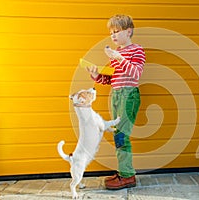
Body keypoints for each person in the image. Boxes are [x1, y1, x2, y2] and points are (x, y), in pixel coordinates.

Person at [86, 14, 145, 190]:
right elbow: (112, 79)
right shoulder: (115, 54)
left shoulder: (137, 50)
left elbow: (136, 74)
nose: (113, 36)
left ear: (129, 31)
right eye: (111, 32)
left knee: (121, 135)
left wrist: (119, 58)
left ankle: (127, 176)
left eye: (116, 31)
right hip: (116, 95)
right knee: (117, 134)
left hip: (129, 96)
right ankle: (124, 171)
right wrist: (97, 76)